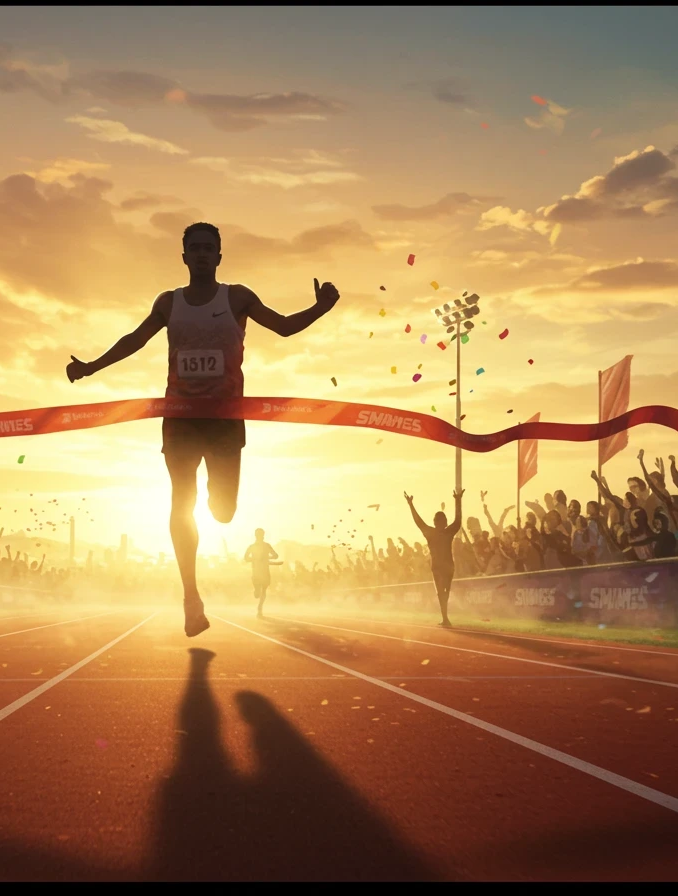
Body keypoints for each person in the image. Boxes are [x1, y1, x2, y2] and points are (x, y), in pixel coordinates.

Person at [65, 222, 341, 637]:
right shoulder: (168, 302)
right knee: (182, 501)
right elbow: (134, 340)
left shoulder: (237, 297)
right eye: (193, 248)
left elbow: (282, 326)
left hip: (225, 421)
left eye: (207, 248)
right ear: (183, 257)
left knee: (223, 513)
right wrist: (90, 367)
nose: (200, 254)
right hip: (181, 418)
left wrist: (321, 307)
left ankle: (218, 504)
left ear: (218, 256)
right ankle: (190, 598)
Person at [405, 488, 463, 627]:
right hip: (448, 565)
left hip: (438, 566)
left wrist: (410, 505)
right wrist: (458, 500)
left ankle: (445, 617)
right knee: (445, 591)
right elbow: (458, 520)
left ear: (435, 522)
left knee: (441, 592)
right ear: (444, 522)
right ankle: (445, 617)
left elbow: (418, 521)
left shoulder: (431, 532)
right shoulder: (448, 531)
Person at [242, 528, 280, 618]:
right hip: (256, 572)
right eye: (258, 534)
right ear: (256, 536)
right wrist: (255, 559)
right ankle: (256, 590)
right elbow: (246, 558)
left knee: (264, 590)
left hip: (265, 571)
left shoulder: (267, 546)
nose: (260, 536)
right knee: (257, 593)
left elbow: (276, 555)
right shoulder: (251, 547)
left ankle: (260, 608)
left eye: (261, 534)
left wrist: (268, 558)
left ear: (263, 535)